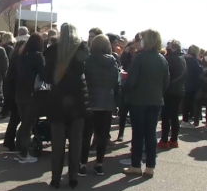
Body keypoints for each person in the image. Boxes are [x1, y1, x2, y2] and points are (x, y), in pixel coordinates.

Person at [44, 23, 89, 189]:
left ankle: (56, 179)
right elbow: (86, 72)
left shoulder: (52, 50)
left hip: (57, 101)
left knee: (58, 143)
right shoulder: (82, 49)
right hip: (78, 102)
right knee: (76, 142)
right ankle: (73, 178)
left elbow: (46, 77)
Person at [122, 29, 169, 177]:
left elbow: (131, 81)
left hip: (139, 100)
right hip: (156, 101)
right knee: (150, 133)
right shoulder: (162, 59)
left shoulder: (140, 58)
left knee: (138, 133)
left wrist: (123, 90)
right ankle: (150, 166)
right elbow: (166, 83)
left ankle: (136, 165)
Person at [79, 34, 119, 176]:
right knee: (102, 135)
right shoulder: (113, 61)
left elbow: (82, 79)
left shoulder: (87, 60)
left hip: (89, 100)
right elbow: (115, 81)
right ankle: (99, 164)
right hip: (106, 101)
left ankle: (82, 164)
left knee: (86, 135)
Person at [14, 33, 45, 164]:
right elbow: (44, 75)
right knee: (28, 124)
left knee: (24, 123)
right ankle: (24, 153)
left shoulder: (21, 56)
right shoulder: (38, 57)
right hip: (31, 94)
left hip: (19, 93)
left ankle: (19, 149)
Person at [158, 39, 186, 149]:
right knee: (174, 116)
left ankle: (164, 140)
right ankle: (174, 140)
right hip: (179, 91)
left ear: (173, 47)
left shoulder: (170, 59)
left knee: (165, 116)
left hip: (169, 91)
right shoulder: (182, 58)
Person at [3, 40, 26, 152]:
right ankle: (11, 143)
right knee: (16, 119)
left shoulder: (15, 58)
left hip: (13, 92)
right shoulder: (18, 59)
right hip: (16, 93)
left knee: (14, 119)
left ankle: (9, 142)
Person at [182, 45, 204, 128]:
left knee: (185, 103)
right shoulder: (194, 61)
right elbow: (200, 70)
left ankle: (185, 119)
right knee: (189, 103)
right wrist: (200, 61)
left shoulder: (183, 58)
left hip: (185, 83)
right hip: (192, 85)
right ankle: (186, 120)